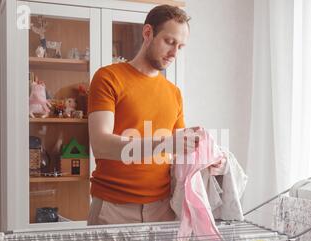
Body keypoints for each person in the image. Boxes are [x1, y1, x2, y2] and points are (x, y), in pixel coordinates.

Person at [87, 5, 226, 225]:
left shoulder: (174, 93)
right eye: (169, 42)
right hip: (114, 209)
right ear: (148, 33)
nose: (174, 53)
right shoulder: (108, 78)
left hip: (163, 210)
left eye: (180, 46)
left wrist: (206, 158)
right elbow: (101, 144)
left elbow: (179, 152)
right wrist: (165, 144)